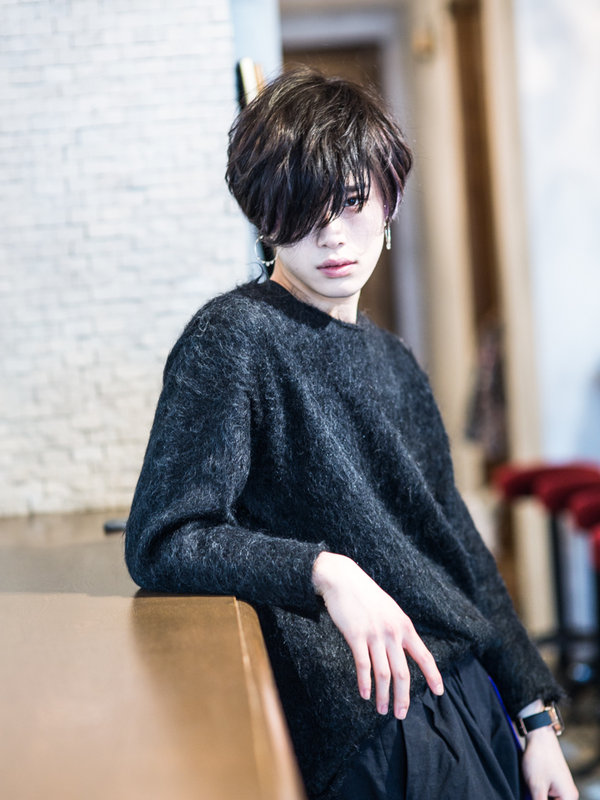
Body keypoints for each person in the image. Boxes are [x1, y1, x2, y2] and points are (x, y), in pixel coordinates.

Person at [125, 68, 578, 800]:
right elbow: (165, 536)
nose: (331, 233)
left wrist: (535, 714)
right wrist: (324, 570)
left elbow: (456, 546)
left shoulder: (394, 362)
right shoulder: (235, 337)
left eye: (352, 201)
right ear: (264, 216)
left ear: (389, 202)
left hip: (467, 695)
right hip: (373, 722)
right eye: (302, 208)